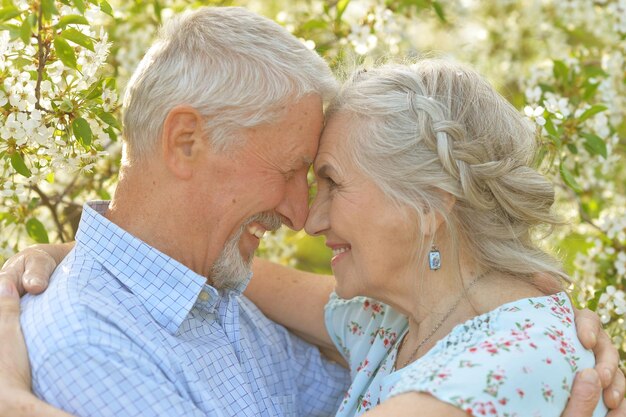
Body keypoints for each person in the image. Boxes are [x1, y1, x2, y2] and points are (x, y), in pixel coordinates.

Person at [1, 57, 626, 417]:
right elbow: (218, 273)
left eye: (330, 183)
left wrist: (12, 402)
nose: (310, 217)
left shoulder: (489, 370)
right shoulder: (390, 321)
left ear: (430, 206)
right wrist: (73, 254)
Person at [0, 6, 351, 417]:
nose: (299, 215)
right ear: (185, 141)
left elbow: (365, 395)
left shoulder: (220, 304)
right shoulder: (92, 345)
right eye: (290, 169)